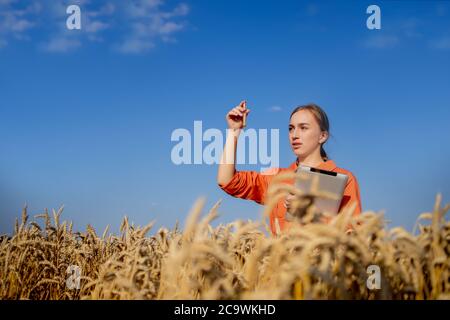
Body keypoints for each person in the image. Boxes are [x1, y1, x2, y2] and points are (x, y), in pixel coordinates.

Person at [217, 100, 362, 236]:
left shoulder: (345, 179)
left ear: (322, 136)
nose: (294, 135)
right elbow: (227, 180)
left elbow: (353, 234)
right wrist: (233, 132)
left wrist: (310, 211)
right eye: (291, 129)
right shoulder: (278, 178)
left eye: (303, 128)